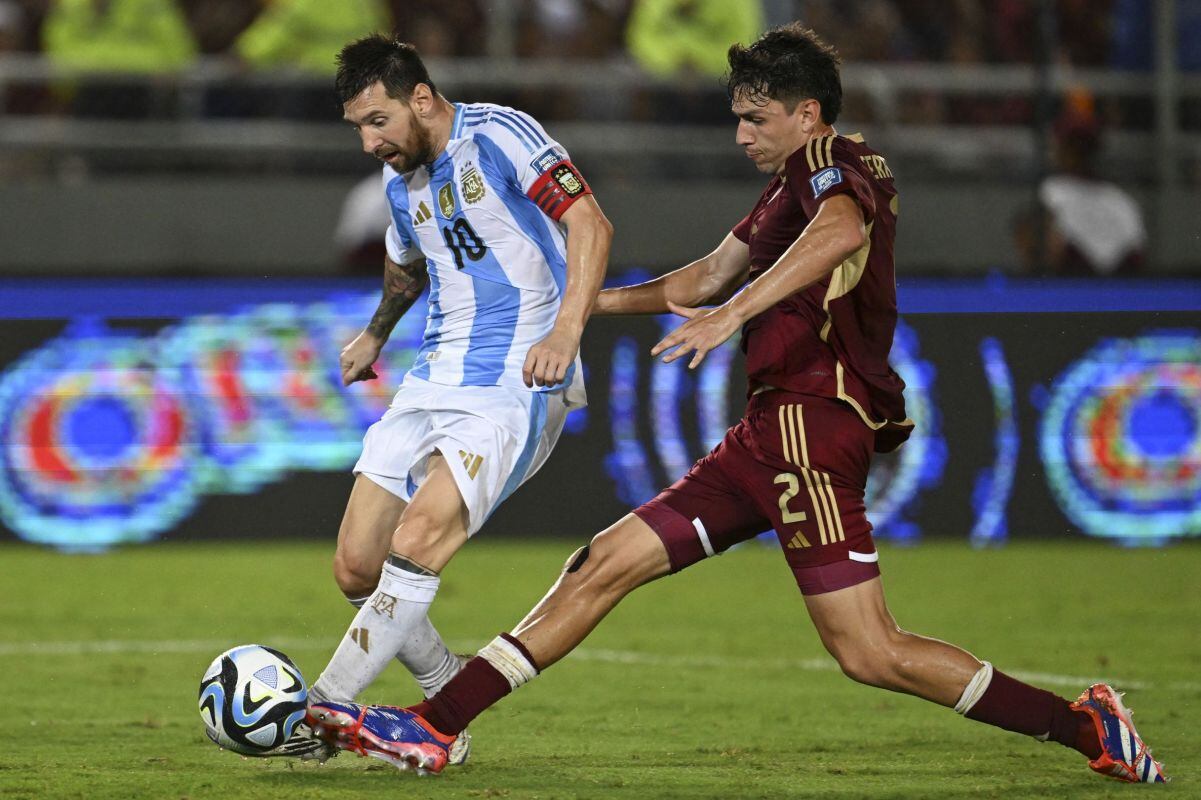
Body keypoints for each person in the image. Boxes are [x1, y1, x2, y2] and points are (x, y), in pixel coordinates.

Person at [303, 24, 1166, 784]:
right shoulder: (784, 189)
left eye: (758, 117)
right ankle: (434, 724)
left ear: (808, 114)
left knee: (869, 652)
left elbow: (836, 239)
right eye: (739, 115)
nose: (742, 131)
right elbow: (703, 277)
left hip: (815, 424)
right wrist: (578, 305)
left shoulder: (837, 164)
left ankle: (1085, 725)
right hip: (765, 433)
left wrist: (732, 314)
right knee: (601, 564)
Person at [274, 34, 613, 763]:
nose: (369, 142)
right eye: (357, 128)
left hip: (514, 379)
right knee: (357, 568)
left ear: (420, 99)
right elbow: (406, 269)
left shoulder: (499, 136)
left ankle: (325, 707)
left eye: (377, 121)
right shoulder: (402, 186)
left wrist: (565, 329)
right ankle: (446, 698)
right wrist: (373, 335)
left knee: (419, 539)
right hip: (432, 376)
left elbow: (590, 223)